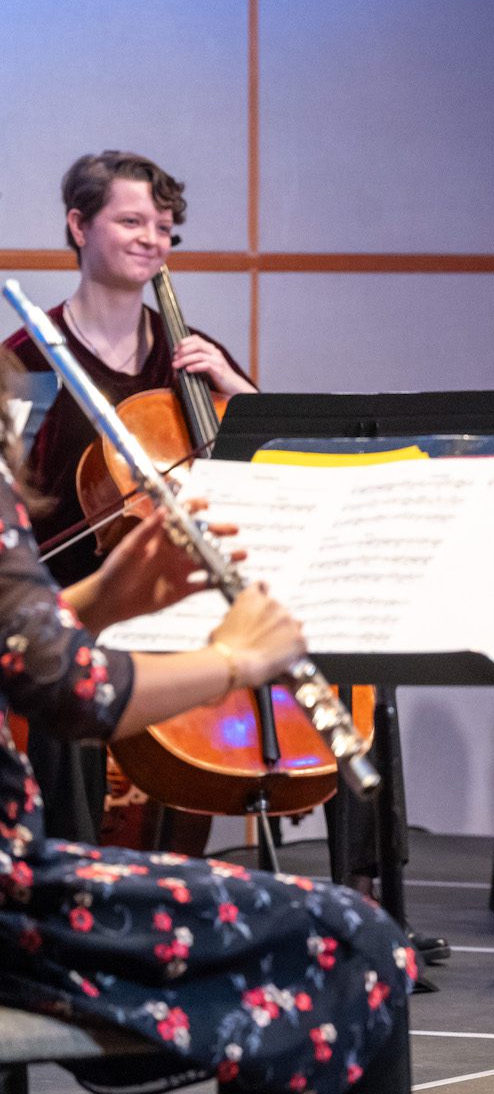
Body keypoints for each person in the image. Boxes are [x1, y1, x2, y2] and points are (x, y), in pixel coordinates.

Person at [0, 353, 414, 1094]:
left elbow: (22, 654)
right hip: (14, 903)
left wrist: (99, 601)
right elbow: (74, 693)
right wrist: (233, 660)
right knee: (354, 941)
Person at [4, 152, 255, 848]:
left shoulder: (192, 356)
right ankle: (71, 867)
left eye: (165, 227)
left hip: (181, 600)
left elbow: (270, 467)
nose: (153, 239)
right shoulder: (27, 359)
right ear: (79, 225)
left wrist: (236, 389)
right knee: (62, 675)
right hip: (78, 602)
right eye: (133, 221)